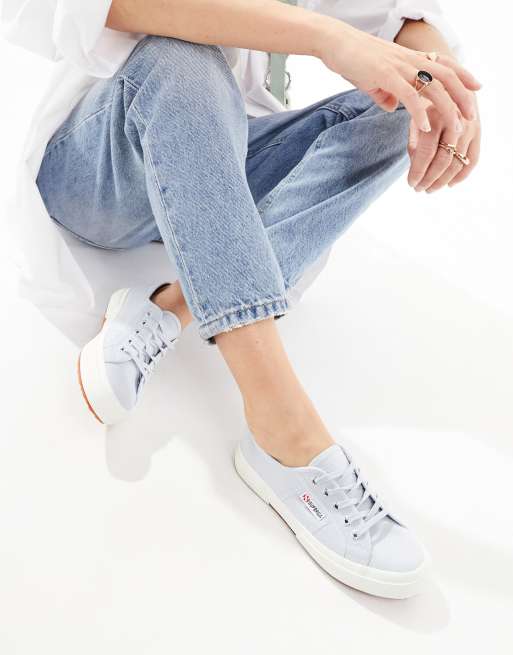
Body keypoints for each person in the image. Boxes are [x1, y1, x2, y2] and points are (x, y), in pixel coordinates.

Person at [1, 0, 481, 599]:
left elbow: (402, 20)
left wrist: (443, 87)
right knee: (180, 57)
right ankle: (282, 431)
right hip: (101, 177)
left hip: (226, 155)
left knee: (409, 103)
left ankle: (176, 303)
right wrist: (326, 37)